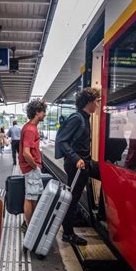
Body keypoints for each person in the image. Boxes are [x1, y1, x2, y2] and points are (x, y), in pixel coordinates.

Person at [55, 88, 101, 246]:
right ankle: (67, 233)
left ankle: (102, 214)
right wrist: (76, 158)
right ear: (89, 102)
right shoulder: (77, 118)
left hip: (84, 163)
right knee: (72, 200)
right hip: (77, 165)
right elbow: (61, 140)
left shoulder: (85, 117)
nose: (98, 103)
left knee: (107, 174)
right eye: (96, 101)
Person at [18, 100, 47, 233]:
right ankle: (29, 226)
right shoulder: (30, 129)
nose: (45, 115)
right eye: (43, 112)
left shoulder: (29, 127)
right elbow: (26, 152)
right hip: (31, 169)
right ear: (37, 112)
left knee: (32, 196)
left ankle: (29, 223)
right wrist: (35, 166)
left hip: (30, 168)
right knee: (30, 198)